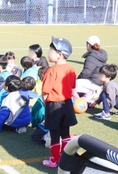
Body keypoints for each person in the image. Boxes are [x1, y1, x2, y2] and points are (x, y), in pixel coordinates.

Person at [41, 36, 77, 168]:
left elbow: (45, 92)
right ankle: (65, 158)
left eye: (51, 50)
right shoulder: (71, 69)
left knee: (55, 134)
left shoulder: (51, 71)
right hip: (67, 104)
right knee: (66, 133)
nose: (48, 52)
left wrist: (47, 106)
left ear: (59, 55)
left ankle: (54, 160)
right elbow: (72, 87)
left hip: (54, 105)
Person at [74, 36, 108, 101]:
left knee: (70, 86)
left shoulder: (91, 57)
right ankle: (88, 95)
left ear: (88, 45)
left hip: (93, 82)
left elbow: (86, 73)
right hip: (99, 82)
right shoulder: (102, 54)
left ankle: (91, 93)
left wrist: (77, 81)